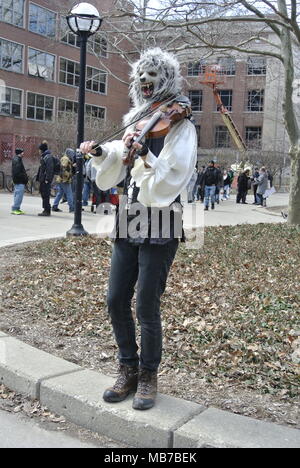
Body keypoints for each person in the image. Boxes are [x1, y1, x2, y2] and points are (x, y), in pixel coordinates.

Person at [80, 48, 197, 411]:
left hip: (161, 217)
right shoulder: (136, 119)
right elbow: (119, 152)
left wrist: (146, 153)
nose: (145, 82)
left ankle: (148, 375)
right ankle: (127, 368)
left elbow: (176, 173)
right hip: (130, 215)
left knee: (147, 302)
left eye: (152, 76)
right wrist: (100, 153)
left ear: (165, 80)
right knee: (116, 298)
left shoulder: (181, 124)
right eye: (141, 76)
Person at [52, 148, 74, 213]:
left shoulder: (65, 158)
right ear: (69, 153)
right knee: (69, 194)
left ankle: (55, 206)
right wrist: (68, 176)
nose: (73, 155)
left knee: (60, 193)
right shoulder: (65, 159)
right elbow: (63, 168)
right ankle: (72, 208)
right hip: (64, 180)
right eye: (72, 153)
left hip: (62, 179)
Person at [37, 141, 54, 216]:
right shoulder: (45, 156)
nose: (38, 151)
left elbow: (49, 169)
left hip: (45, 180)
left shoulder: (48, 157)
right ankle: (46, 209)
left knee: (45, 194)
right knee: (43, 194)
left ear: (42, 150)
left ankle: (46, 210)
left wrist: (47, 179)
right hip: (43, 179)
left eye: (39, 150)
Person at [11, 148, 28, 215]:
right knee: (19, 195)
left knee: (17, 194)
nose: (23, 153)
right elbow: (17, 172)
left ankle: (16, 208)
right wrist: (24, 177)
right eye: (22, 152)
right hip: (19, 181)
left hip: (18, 180)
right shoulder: (17, 160)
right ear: (19, 153)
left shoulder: (17, 159)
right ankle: (15, 208)